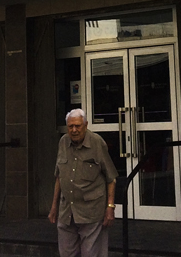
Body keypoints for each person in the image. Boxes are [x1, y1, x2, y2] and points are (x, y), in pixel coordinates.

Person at [48, 109, 118, 257]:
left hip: (91, 212)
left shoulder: (97, 142)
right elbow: (59, 177)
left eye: (78, 126)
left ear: (85, 125)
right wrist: (54, 207)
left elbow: (111, 178)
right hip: (67, 212)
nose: (74, 130)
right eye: (70, 126)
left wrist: (110, 207)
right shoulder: (63, 142)